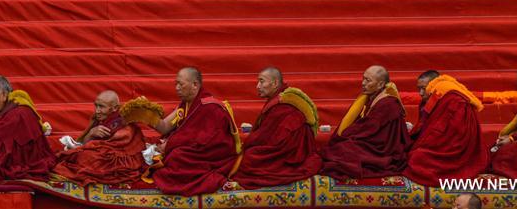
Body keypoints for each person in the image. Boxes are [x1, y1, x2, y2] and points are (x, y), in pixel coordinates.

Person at [150, 67, 240, 195]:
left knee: (176, 156)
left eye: (180, 84)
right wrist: (148, 117)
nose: (176, 88)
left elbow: (211, 142)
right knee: (167, 152)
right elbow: (164, 126)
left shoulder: (211, 107)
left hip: (211, 154)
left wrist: (170, 144)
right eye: (175, 84)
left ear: (195, 85)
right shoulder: (186, 104)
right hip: (192, 148)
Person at [233, 67, 322, 188]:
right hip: (286, 150)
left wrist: (246, 144)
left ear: (275, 83)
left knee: (248, 159)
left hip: (289, 155)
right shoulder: (279, 99)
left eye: (262, 81)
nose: (257, 86)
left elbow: (265, 137)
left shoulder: (283, 106)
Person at [321, 65, 410, 179]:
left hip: (381, 150)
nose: (363, 83)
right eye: (363, 78)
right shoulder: (372, 98)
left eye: (368, 80)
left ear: (381, 84)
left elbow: (369, 128)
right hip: (372, 142)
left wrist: (347, 134)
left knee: (343, 150)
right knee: (340, 148)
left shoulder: (388, 104)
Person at [51, 91, 154, 185]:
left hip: (122, 161)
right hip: (103, 154)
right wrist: (91, 133)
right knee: (82, 156)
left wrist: (92, 147)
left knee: (85, 157)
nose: (97, 111)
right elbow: (83, 143)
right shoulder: (100, 118)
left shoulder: (125, 125)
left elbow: (118, 150)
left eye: (101, 107)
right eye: (96, 106)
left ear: (114, 108)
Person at [404, 71, 487, 186]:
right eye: (419, 89)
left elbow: (452, 135)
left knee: (417, 158)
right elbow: (426, 127)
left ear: (434, 84)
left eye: (423, 88)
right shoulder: (433, 98)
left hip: (456, 153)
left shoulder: (455, 102)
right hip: (441, 145)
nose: (421, 93)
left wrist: (421, 145)